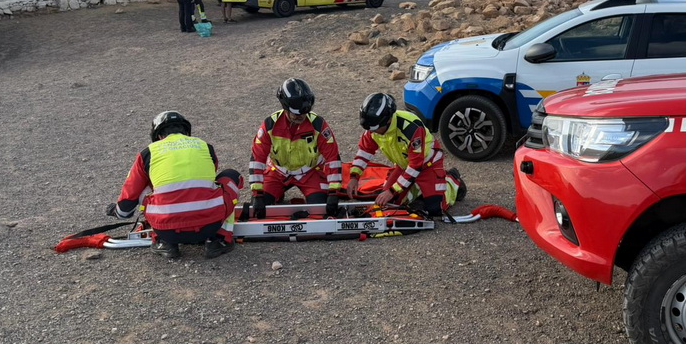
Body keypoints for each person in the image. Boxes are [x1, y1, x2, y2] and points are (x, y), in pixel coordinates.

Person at [107, 111, 243, 260]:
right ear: (186, 131)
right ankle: (220, 240)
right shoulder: (205, 146)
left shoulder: (148, 153)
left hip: (167, 231)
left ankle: (163, 242)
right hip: (210, 226)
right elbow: (210, 176)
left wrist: (118, 212)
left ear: (158, 136)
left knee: (145, 185)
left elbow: (129, 198)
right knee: (230, 177)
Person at [346, 93, 461, 218]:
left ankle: (452, 180)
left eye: (374, 129)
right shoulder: (373, 127)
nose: (371, 132)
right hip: (404, 166)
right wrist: (354, 177)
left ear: (388, 120)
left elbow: (415, 166)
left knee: (435, 209)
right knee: (389, 203)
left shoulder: (411, 127)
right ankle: (416, 188)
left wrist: (392, 190)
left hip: (428, 165)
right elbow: (364, 152)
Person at [248, 79, 343, 217]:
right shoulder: (270, 125)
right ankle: (276, 193)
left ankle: (282, 194)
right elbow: (257, 158)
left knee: (320, 209)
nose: (302, 117)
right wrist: (257, 193)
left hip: (310, 172)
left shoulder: (318, 125)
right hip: (277, 172)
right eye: (297, 114)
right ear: (285, 108)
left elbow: (332, 157)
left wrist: (334, 192)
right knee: (259, 209)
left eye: (305, 113)